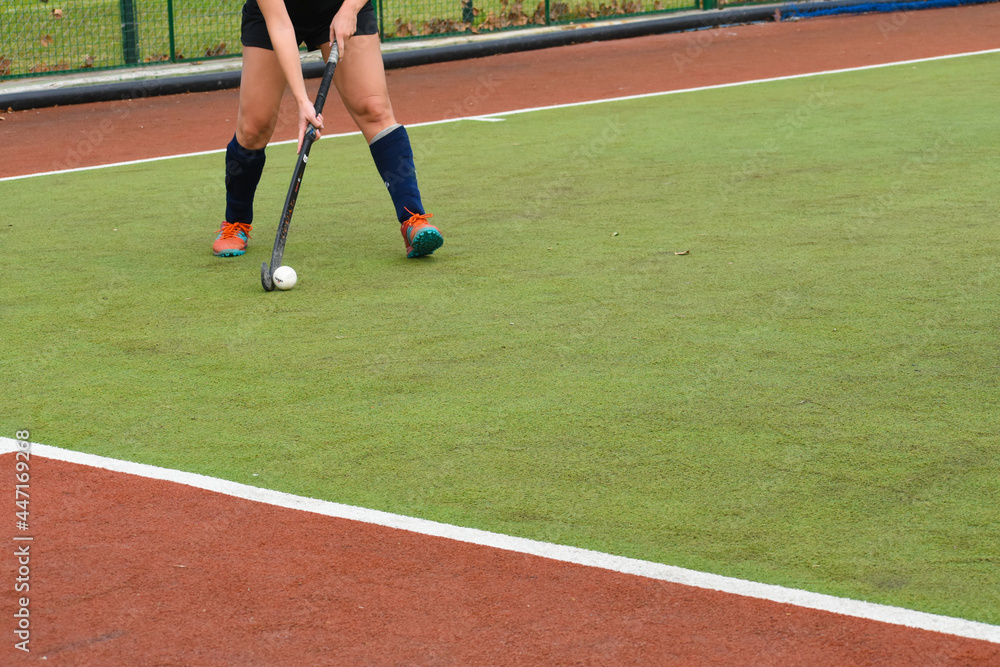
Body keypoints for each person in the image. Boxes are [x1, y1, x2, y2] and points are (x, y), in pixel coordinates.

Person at [212, 0, 443, 259]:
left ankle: (413, 219)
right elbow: (279, 25)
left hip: (340, 4)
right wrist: (302, 101)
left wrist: (350, 9)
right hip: (275, 15)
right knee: (255, 127)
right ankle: (236, 222)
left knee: (374, 108)